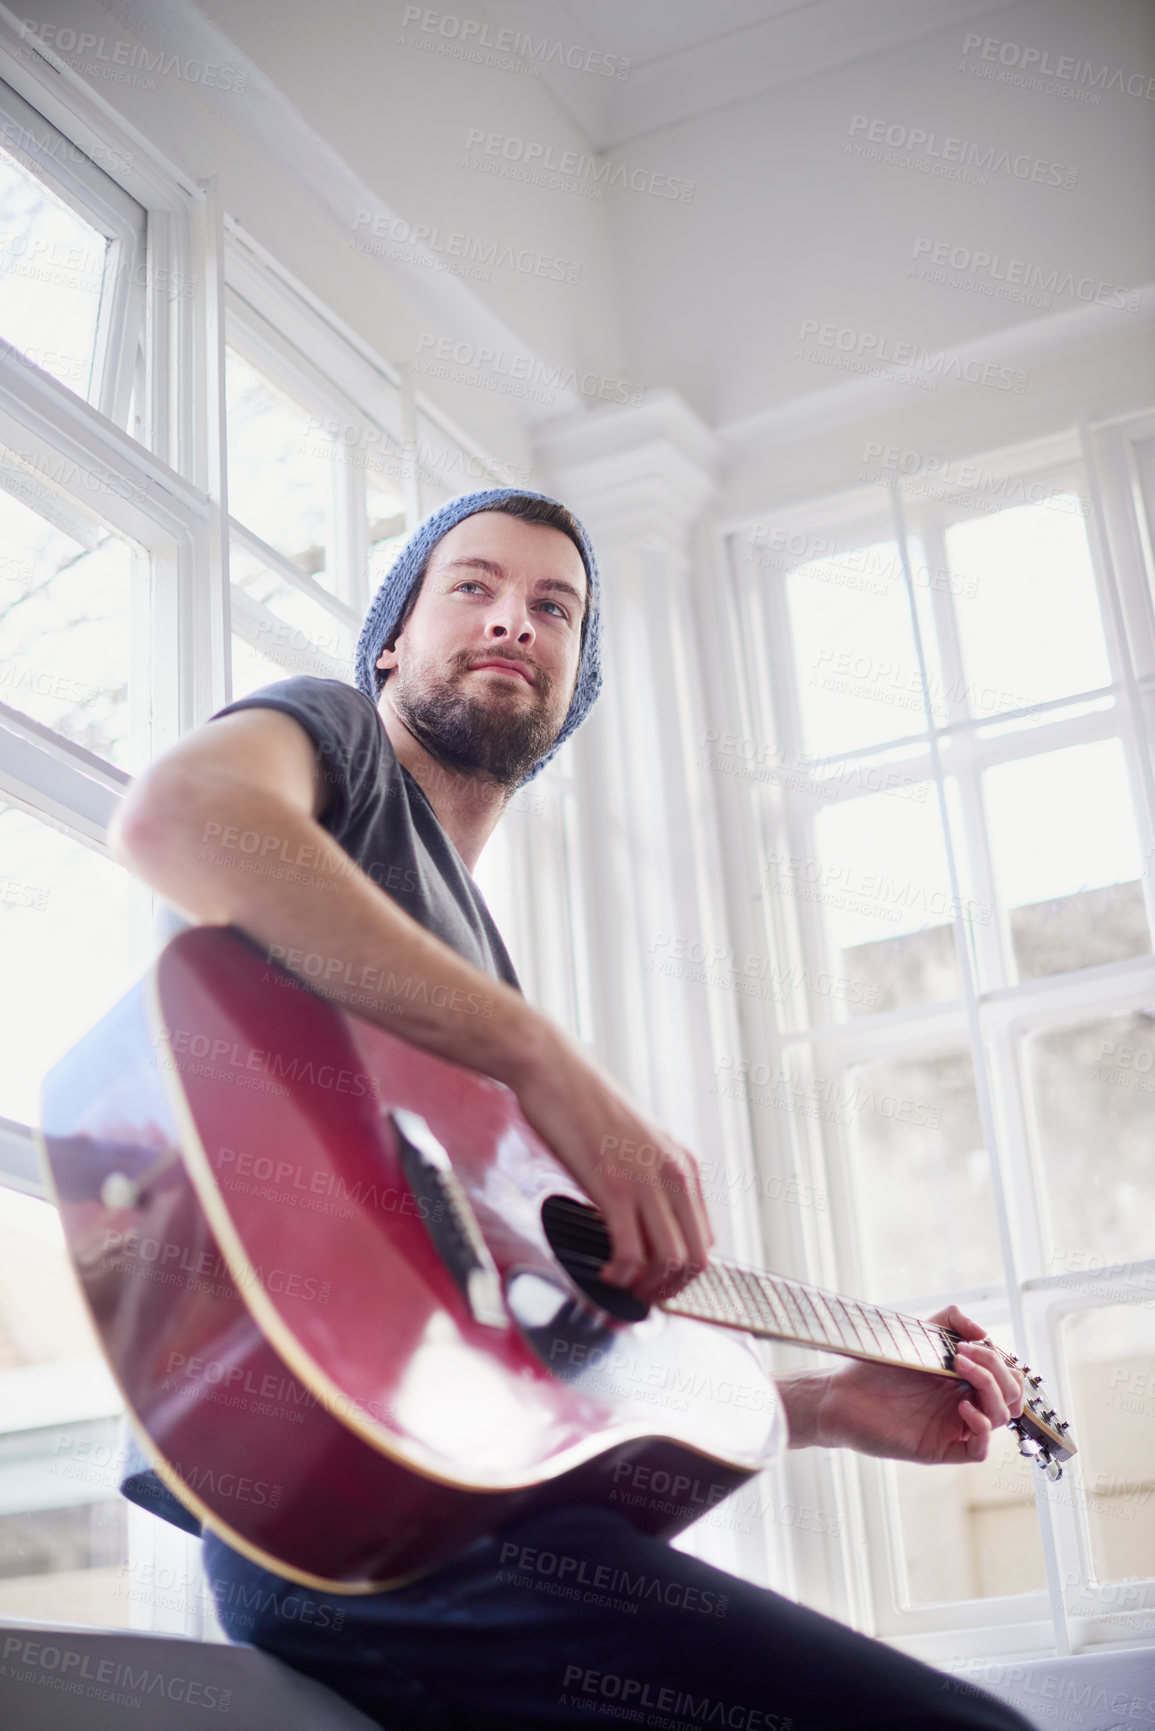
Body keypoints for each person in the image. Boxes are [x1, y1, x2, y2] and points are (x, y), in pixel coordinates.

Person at [111, 488, 1034, 1730]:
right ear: (391, 640)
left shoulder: (470, 996)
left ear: (575, 677)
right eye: (474, 588)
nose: (515, 623)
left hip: (469, 1520)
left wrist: (816, 1404)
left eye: (557, 608)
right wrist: (544, 1059)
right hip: (339, 1532)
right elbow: (183, 817)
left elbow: (542, 1396)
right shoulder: (336, 745)